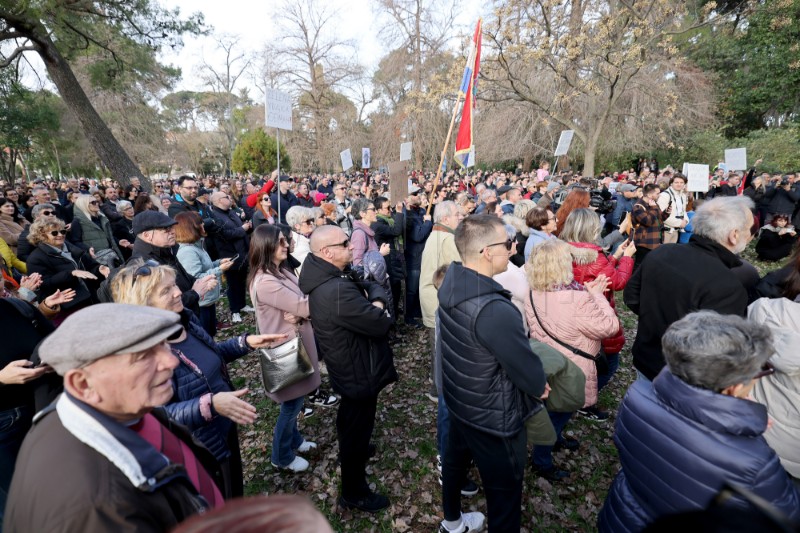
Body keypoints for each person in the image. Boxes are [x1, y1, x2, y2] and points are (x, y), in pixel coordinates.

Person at [4, 304, 226, 532]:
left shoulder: (124, 405)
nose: (171, 362)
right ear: (82, 384)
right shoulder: (94, 505)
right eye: (142, 356)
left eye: (163, 345)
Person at [598, 311, 800, 532]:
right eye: (758, 371)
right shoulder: (755, 462)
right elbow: (786, 520)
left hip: (622, 516)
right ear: (734, 385)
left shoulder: (637, 395)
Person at [111, 264, 282, 498]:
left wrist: (246, 343)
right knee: (219, 499)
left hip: (224, 423)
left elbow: (209, 357)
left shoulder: (185, 320)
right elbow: (156, 415)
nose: (178, 292)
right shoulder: (144, 353)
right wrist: (210, 404)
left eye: (174, 286)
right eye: (165, 291)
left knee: (234, 490)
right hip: (199, 443)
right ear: (143, 305)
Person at [438, 214, 548, 532]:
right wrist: (539, 384)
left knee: (455, 465)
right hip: (493, 418)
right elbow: (526, 368)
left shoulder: (452, 281)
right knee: (504, 496)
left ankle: (452, 522)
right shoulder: (494, 309)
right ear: (487, 251)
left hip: (460, 399)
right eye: (508, 243)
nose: (513, 249)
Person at [298, 225, 396, 513]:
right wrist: (377, 298)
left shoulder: (329, 277)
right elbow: (380, 322)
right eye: (344, 243)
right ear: (326, 252)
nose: (352, 246)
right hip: (356, 367)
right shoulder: (335, 290)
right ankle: (354, 492)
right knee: (357, 423)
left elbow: (362, 285)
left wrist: (371, 293)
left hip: (348, 361)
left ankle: (356, 450)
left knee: (352, 416)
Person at [624, 197, 753, 381]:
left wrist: (655, 320)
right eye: (749, 229)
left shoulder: (662, 252)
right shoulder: (728, 285)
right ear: (734, 235)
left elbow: (632, 297)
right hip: (683, 379)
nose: (750, 235)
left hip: (646, 359)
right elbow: (717, 349)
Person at [525, 239, 619, 480]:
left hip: (547, 363)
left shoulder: (532, 291)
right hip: (571, 368)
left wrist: (588, 293)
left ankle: (551, 442)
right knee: (557, 415)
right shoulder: (576, 299)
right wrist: (597, 296)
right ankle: (542, 462)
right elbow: (610, 327)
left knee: (551, 408)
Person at [249, 225, 323, 473]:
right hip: (286, 351)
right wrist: (301, 314)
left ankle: (296, 440)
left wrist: (300, 313)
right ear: (266, 246)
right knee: (291, 405)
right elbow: (305, 305)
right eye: (280, 242)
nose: (286, 245)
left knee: (295, 401)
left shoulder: (280, 271)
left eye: (286, 240)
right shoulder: (266, 282)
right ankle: (281, 456)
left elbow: (302, 298)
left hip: (295, 344)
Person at [560, 208, 636, 419]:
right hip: (594, 312)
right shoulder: (593, 256)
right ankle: (583, 400)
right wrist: (628, 259)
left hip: (570, 311)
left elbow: (595, 275)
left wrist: (615, 257)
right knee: (609, 362)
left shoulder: (564, 249)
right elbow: (617, 282)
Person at [130, 210, 217, 316]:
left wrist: (203, 282)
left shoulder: (166, 250)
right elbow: (164, 305)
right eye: (166, 229)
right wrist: (195, 293)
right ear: (147, 235)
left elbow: (184, 277)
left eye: (172, 228)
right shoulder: (143, 265)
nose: (173, 232)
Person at [26, 217, 109, 319]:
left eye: (63, 231)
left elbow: (90, 266)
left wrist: (99, 269)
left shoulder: (71, 247)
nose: (60, 235)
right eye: (54, 233)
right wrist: (70, 273)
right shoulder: (35, 258)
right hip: (70, 307)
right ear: (41, 236)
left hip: (92, 297)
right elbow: (44, 283)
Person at [175, 212, 235, 337]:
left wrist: (218, 263)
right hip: (201, 302)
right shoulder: (188, 251)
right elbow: (196, 277)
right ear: (191, 228)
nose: (203, 225)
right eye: (200, 223)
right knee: (206, 334)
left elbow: (205, 266)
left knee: (211, 331)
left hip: (208, 299)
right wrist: (219, 269)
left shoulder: (197, 245)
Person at [208, 192, 252, 323]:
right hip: (228, 255)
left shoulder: (231, 211)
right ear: (218, 201)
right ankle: (235, 310)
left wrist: (246, 226)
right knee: (233, 284)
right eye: (226, 197)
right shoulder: (215, 216)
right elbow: (224, 235)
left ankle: (243, 304)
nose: (229, 198)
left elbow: (239, 226)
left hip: (243, 252)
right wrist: (243, 229)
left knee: (242, 281)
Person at [68, 194, 126, 267]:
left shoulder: (101, 218)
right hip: (96, 259)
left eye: (97, 201)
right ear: (84, 205)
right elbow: (75, 241)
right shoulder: (77, 221)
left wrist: (118, 241)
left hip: (111, 254)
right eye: (93, 202)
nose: (97, 204)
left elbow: (107, 236)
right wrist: (87, 249)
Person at [404, 194, 433, 327]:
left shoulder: (421, 211)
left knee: (419, 286)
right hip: (413, 256)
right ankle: (408, 316)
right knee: (412, 288)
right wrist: (427, 222)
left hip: (423, 255)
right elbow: (418, 235)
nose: (419, 196)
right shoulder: (407, 215)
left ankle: (416, 310)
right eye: (415, 195)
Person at [630, 183, 669, 268]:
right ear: (649, 195)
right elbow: (648, 221)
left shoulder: (654, 204)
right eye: (657, 193)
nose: (660, 195)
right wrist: (654, 208)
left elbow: (660, 219)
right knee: (640, 266)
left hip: (655, 242)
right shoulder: (638, 207)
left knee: (651, 266)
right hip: (644, 244)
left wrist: (667, 213)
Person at [350, 199, 390, 267]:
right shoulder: (359, 234)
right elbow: (357, 264)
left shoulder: (367, 231)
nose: (376, 212)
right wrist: (380, 254)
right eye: (373, 209)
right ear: (362, 214)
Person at [657, 174, 689, 244]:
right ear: (671, 183)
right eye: (676, 182)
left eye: (681, 182)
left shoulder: (683, 196)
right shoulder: (664, 196)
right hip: (666, 231)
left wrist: (686, 221)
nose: (679, 184)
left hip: (677, 230)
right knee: (664, 253)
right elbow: (661, 216)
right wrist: (679, 223)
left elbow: (683, 211)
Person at [284, 206, 316, 274]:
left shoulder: (309, 237)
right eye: (308, 222)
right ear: (297, 226)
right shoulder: (297, 245)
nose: (311, 223)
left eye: (312, 220)